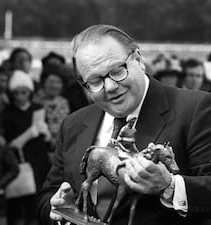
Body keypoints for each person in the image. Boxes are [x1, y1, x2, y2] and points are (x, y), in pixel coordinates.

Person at [37, 24, 211, 225]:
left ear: (138, 59)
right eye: (95, 81)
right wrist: (57, 210)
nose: (110, 87)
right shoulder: (73, 124)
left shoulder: (196, 108)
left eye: (117, 71)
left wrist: (170, 186)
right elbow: (47, 195)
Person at [0, 70, 52, 225]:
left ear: (29, 92)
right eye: (16, 93)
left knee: (37, 204)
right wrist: (29, 133)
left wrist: (46, 133)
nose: (20, 96)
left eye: (24, 92)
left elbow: (47, 139)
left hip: (39, 162)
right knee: (18, 205)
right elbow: (9, 144)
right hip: (18, 164)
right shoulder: (7, 113)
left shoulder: (38, 109)